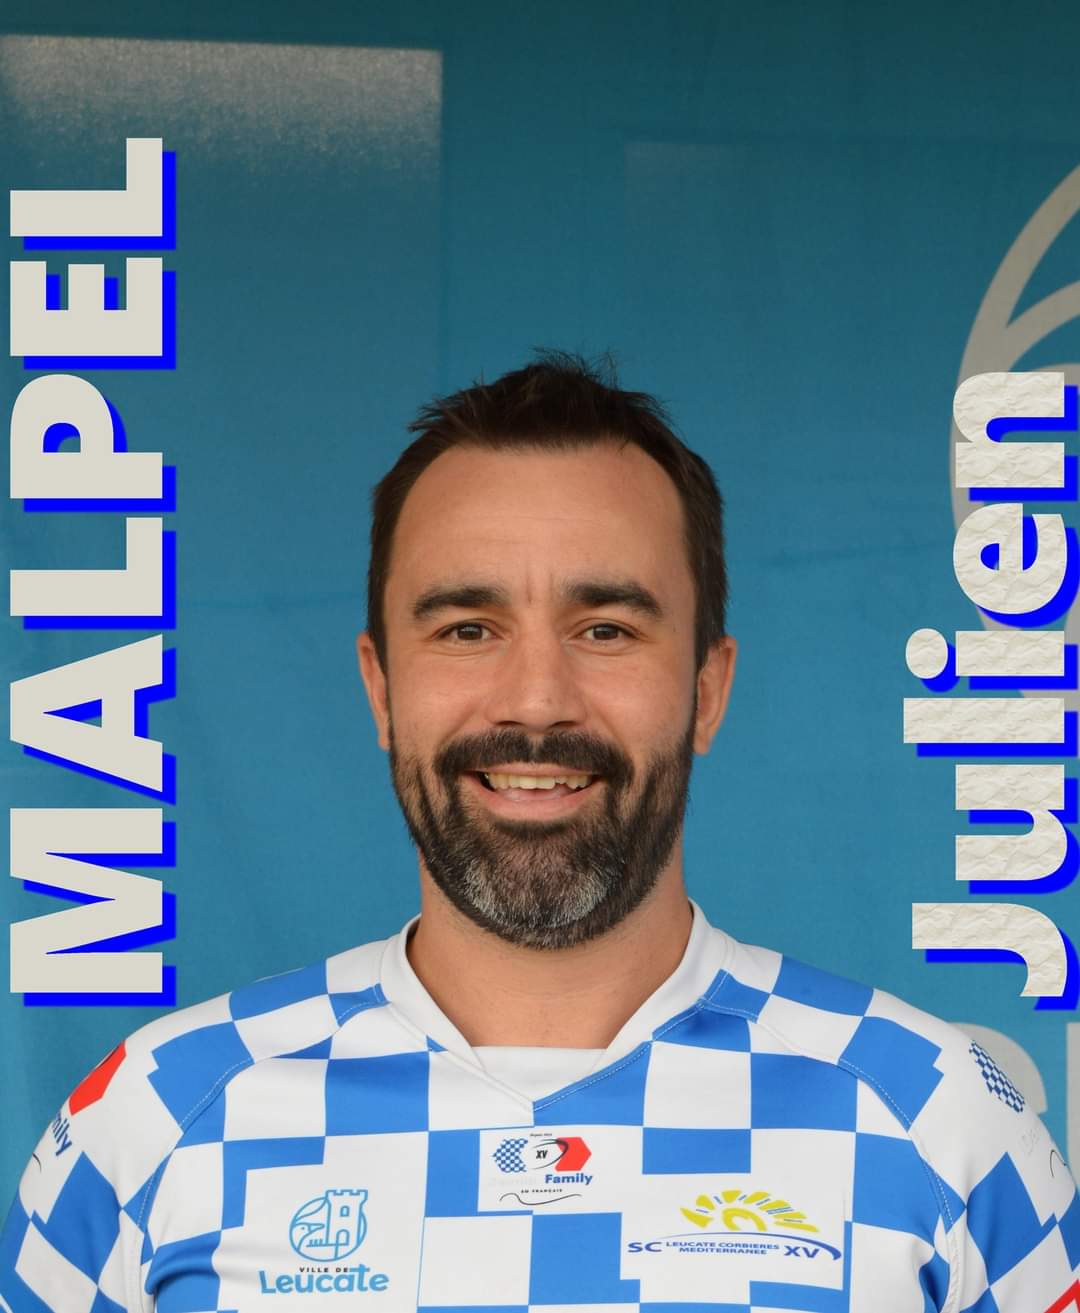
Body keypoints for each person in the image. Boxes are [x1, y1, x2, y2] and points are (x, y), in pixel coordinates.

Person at [1, 352, 1077, 1313]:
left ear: (707, 689)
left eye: (604, 628)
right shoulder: (156, 1115)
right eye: (468, 628)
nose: (535, 700)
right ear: (381, 689)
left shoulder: (935, 1119)